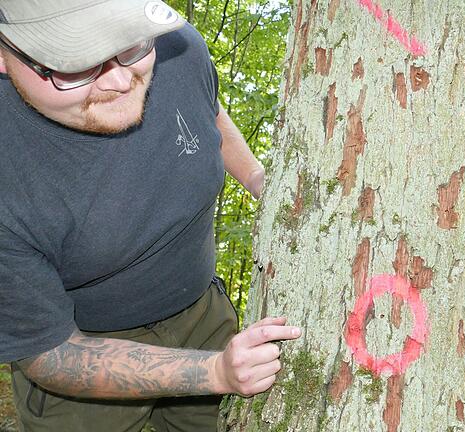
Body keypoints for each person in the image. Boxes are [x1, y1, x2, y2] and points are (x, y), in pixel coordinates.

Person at [0, 0, 301, 430]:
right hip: (84, 354)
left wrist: (256, 178)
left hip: (204, 314)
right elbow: (50, 353)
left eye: (131, 45)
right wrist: (214, 373)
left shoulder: (179, 50)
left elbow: (205, 111)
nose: (121, 80)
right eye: (76, 64)